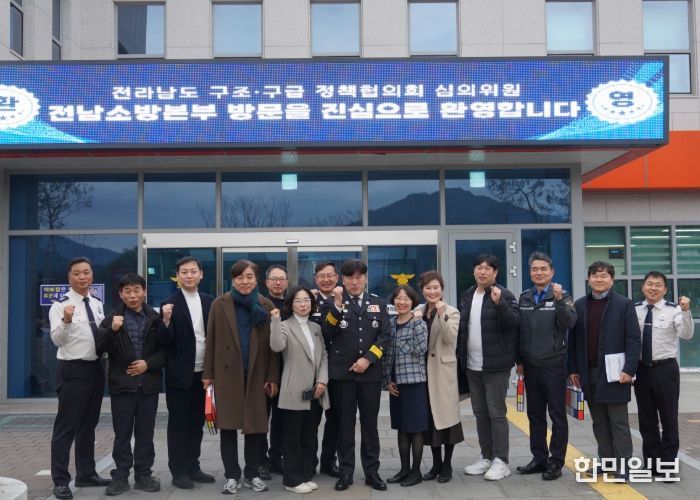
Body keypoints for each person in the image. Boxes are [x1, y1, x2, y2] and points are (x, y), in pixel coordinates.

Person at [203, 259, 280, 495]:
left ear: (256, 280)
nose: (244, 282)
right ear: (233, 280)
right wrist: (208, 374)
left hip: (257, 374)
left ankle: (252, 473)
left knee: (256, 427)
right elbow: (211, 341)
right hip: (227, 375)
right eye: (239, 277)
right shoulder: (219, 304)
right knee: (227, 427)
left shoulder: (265, 305)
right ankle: (231, 475)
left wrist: (272, 376)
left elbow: (273, 347)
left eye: (249, 277)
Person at [322, 259, 392, 492]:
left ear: (365, 278)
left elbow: (385, 336)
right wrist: (337, 305)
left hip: (370, 375)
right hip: (342, 375)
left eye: (359, 277)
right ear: (343, 280)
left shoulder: (378, 303)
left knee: (370, 426)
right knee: (345, 425)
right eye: (349, 277)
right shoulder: (333, 303)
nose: (354, 282)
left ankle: (372, 472)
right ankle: (346, 472)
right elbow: (327, 332)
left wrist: (368, 359)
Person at [567, 261, 641, 480]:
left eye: (604, 276)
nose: (599, 279)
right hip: (588, 372)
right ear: (589, 279)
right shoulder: (580, 305)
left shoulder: (624, 304)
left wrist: (629, 369)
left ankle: (624, 464)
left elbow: (633, 339)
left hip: (616, 373)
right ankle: (606, 460)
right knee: (598, 421)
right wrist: (573, 369)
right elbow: (573, 340)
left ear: (612, 279)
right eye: (595, 275)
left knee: (618, 421)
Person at [95, 273, 166, 496]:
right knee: (122, 434)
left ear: (144, 292)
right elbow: (100, 348)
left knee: (145, 434)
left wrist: (148, 364)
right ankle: (120, 477)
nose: (133, 295)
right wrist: (112, 330)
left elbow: (165, 352)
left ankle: (143, 475)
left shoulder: (155, 318)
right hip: (122, 386)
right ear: (121, 294)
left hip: (148, 386)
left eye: (137, 290)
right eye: (128, 291)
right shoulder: (112, 318)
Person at [49, 257, 111, 500]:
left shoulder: (96, 303)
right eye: (77, 273)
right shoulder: (60, 306)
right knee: (66, 427)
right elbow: (57, 340)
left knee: (88, 426)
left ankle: (86, 474)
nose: (83, 277)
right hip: (73, 370)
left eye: (86, 272)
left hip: (96, 368)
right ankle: (60, 481)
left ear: (92, 275)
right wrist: (66, 320)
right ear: (69, 277)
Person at [458, 254, 520, 481]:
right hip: (472, 365)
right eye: (479, 267)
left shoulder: (503, 294)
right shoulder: (467, 295)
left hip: (495, 365)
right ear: (474, 270)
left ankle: (501, 461)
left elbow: (514, 323)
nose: (482, 272)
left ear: (495, 272)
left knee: (496, 412)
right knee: (480, 412)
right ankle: (486, 456)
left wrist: (499, 303)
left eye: (487, 268)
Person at [515, 252, 577, 481]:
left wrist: (559, 300)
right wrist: (519, 361)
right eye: (535, 269)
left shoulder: (563, 295)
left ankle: (556, 461)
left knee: (557, 414)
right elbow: (519, 331)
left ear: (552, 272)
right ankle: (539, 458)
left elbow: (569, 322)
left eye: (543, 269)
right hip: (530, 365)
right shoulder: (524, 297)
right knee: (534, 414)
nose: (539, 273)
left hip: (554, 365)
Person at [159, 256, 216, 489]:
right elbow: (164, 341)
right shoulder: (169, 304)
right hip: (179, 376)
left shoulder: (210, 302)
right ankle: (178, 470)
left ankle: (193, 466)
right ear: (177, 276)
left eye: (193, 271)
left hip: (204, 375)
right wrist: (165, 320)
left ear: (201, 274)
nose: (189, 276)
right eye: (184, 272)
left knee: (197, 423)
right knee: (179, 424)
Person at [270, 286, 329, 494]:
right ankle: (292, 480)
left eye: (306, 300)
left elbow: (323, 356)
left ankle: (305, 475)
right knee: (292, 437)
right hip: (293, 389)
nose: (303, 304)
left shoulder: (316, 327)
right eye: (298, 301)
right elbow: (276, 346)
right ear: (290, 304)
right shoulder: (284, 325)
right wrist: (275, 321)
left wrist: (322, 381)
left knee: (309, 436)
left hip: (315, 390)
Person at [634, 271, 693, 476]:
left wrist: (685, 311)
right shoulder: (635, 309)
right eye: (650, 284)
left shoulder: (674, 310)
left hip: (665, 369)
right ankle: (651, 463)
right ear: (643, 287)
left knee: (669, 418)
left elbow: (686, 334)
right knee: (646, 419)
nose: (653, 288)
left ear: (665, 289)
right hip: (641, 369)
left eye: (658, 285)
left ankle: (668, 465)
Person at [417, 271, 463, 483]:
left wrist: (442, 314)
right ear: (422, 290)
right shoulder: (418, 311)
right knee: (430, 420)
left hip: (443, 372)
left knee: (447, 418)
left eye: (436, 287)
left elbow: (449, 337)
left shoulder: (451, 311)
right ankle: (436, 464)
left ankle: (447, 464)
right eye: (428, 288)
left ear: (442, 289)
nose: (432, 291)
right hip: (423, 372)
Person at [383, 285, 429, 487]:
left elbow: (421, 349)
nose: (402, 302)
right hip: (395, 383)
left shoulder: (419, 322)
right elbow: (387, 356)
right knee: (402, 427)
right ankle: (404, 470)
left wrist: (417, 322)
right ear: (393, 301)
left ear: (413, 302)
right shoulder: (390, 323)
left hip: (414, 383)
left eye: (406, 299)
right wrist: (386, 381)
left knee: (415, 428)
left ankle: (416, 472)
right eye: (398, 298)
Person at [309, 261, 340, 477]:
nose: (326, 280)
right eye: (322, 276)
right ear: (316, 279)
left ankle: (329, 462)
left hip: (337, 370)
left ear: (337, 278)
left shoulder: (344, 300)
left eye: (330, 275)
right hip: (312, 370)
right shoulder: (308, 300)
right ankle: (309, 462)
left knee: (335, 420)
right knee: (311, 420)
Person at [261, 264, 289, 478]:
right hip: (263, 370)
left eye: (282, 279)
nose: (278, 283)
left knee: (281, 419)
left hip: (287, 370)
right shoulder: (260, 305)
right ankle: (260, 461)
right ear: (267, 282)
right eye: (274, 279)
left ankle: (276, 458)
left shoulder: (292, 304)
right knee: (261, 418)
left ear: (287, 283)